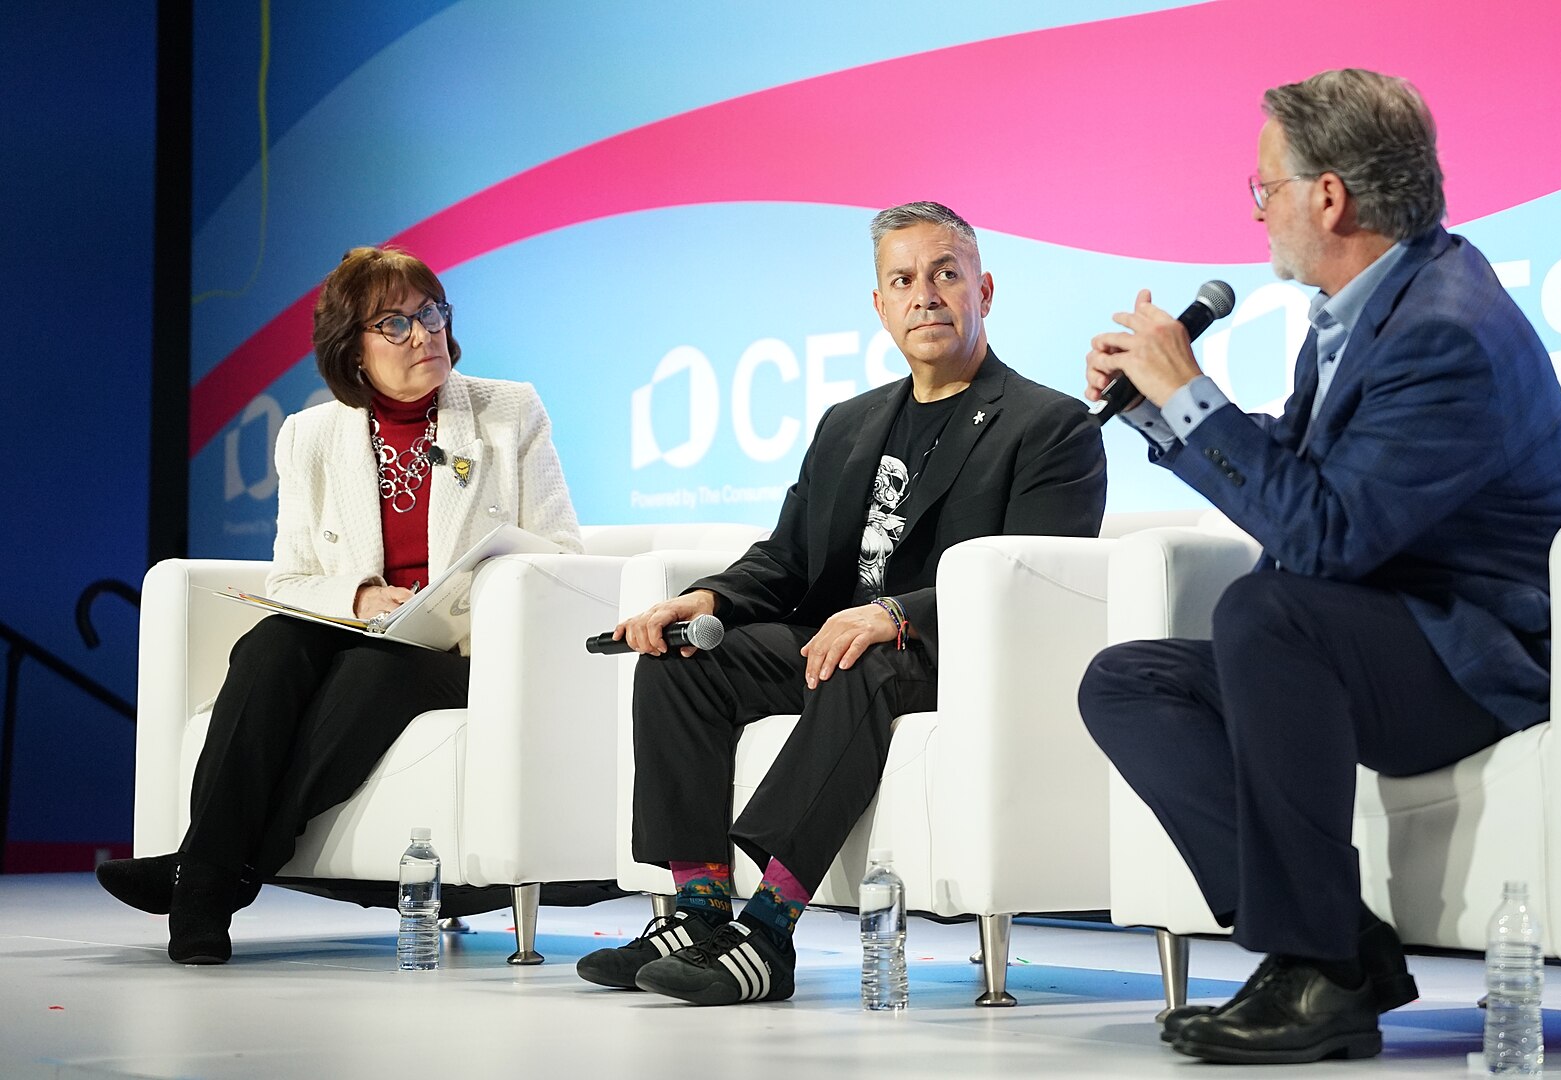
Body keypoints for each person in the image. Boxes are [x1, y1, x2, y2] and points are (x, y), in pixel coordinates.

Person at [1078, 69, 1561, 1064]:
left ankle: (1313, 968)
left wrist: (1192, 395)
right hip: (1392, 630)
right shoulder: (1377, 304)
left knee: (1270, 611)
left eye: (1264, 187)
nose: (1259, 210)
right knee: (1130, 682)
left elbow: (1327, 536)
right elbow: (1318, 479)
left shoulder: (1446, 327)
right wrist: (1155, 404)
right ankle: (1343, 949)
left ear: (1328, 196)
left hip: (1475, 657)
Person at [575, 201, 1107, 1004]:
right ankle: (700, 911)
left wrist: (895, 613)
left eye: (945, 274)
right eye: (903, 280)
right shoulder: (848, 424)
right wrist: (703, 597)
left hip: (949, 655)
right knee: (684, 661)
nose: (925, 294)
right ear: (880, 305)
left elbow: (1027, 576)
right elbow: (787, 559)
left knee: (862, 655)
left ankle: (768, 933)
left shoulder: (1050, 425)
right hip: (834, 645)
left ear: (984, 290)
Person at [96, 246, 583, 964]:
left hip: (466, 649)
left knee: (370, 675)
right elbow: (291, 579)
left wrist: (461, 595)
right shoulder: (312, 435)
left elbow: (562, 556)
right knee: (269, 645)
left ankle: (205, 877)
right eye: (396, 324)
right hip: (366, 626)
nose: (425, 335)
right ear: (352, 351)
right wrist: (357, 594)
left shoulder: (508, 412)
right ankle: (209, 871)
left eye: (431, 314)